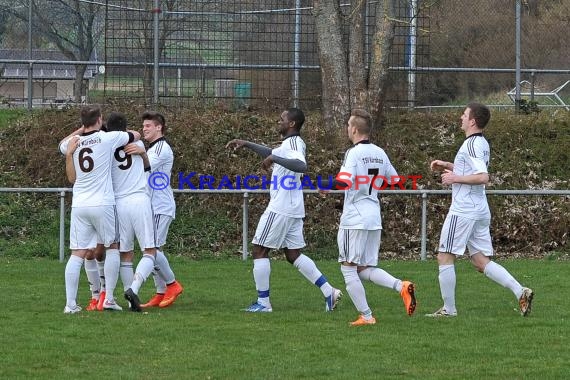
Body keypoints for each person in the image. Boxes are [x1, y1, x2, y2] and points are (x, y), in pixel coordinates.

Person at [226, 107, 342, 313]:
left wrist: (274, 160)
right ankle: (329, 292)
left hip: (281, 207)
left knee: (259, 250)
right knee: (293, 254)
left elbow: (301, 165)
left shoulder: (295, 142)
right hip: (292, 207)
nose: (277, 121)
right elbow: (272, 153)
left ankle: (263, 303)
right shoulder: (288, 144)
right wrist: (246, 144)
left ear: (291, 124)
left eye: (281, 119)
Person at [427, 102, 534, 317]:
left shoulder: (472, 145)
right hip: (478, 209)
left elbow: (483, 177)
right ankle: (520, 291)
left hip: (464, 209)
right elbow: (473, 170)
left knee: (444, 256)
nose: (461, 117)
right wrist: (448, 165)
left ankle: (449, 309)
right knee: (479, 261)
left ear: (473, 121)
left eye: (464, 114)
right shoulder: (480, 143)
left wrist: (454, 178)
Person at [321, 109, 416, 326]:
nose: (347, 128)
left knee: (348, 268)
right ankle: (401, 286)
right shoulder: (380, 152)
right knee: (363, 269)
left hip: (354, 218)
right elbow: (396, 180)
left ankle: (366, 316)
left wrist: (325, 185)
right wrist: (371, 184)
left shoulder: (353, 153)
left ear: (354, 129)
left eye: (348, 125)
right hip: (373, 216)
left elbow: (344, 181)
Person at [59, 105, 140, 313]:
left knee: (77, 253)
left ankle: (70, 304)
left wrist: (81, 130)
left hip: (79, 204)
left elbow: (61, 144)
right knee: (112, 246)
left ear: (82, 121)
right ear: (100, 119)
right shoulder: (108, 138)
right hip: (102, 202)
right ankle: (109, 299)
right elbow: (134, 135)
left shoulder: (73, 143)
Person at [124, 111, 183, 308]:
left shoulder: (161, 149)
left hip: (160, 206)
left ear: (159, 127)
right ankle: (160, 292)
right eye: (143, 126)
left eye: (148, 126)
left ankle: (172, 285)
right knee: (154, 250)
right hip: (151, 206)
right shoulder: (153, 148)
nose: (144, 129)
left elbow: (143, 167)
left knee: (153, 250)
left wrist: (139, 152)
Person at [104, 112, 157, 312]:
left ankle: (129, 300)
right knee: (150, 250)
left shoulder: (106, 148)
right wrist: (142, 154)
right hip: (139, 199)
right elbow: (148, 169)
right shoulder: (138, 144)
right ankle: (133, 289)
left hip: (118, 202)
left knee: (125, 253)